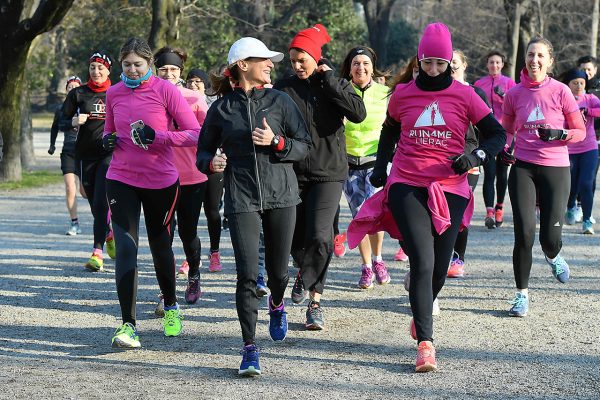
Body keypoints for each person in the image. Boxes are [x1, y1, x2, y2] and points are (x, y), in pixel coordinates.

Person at [348, 22, 506, 372]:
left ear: (449, 61)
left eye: (440, 62)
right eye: (427, 62)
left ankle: (421, 311)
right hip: (407, 182)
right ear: (418, 61)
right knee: (421, 258)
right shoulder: (403, 94)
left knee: (438, 265)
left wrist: (474, 156)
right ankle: (426, 343)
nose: (433, 69)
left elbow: (497, 135)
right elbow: (390, 130)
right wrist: (381, 165)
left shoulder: (466, 95)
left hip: (451, 186)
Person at [196, 37, 311, 376]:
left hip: (282, 195)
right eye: (264, 59)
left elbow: (304, 146)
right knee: (247, 275)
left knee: (278, 273)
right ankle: (249, 348)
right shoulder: (222, 108)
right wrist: (211, 162)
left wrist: (277, 142)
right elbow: (203, 151)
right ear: (243, 65)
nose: (271, 64)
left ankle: (277, 302)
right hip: (241, 197)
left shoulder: (280, 101)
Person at [104, 37, 201, 348]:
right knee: (127, 247)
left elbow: (194, 133)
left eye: (138, 65)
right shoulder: (113, 92)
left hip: (161, 180)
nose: (132, 70)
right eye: (127, 65)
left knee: (160, 245)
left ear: (148, 65)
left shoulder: (165, 90)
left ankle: (171, 308)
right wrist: (106, 140)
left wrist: (157, 136)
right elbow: (108, 130)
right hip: (121, 177)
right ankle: (128, 325)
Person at [274, 24, 366, 330]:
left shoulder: (334, 83)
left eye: (303, 60)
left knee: (321, 236)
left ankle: (315, 301)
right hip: (293, 172)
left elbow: (358, 113)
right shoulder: (284, 87)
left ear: (317, 58)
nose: (297, 66)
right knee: (295, 241)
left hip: (328, 172)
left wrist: (329, 80)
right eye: (293, 61)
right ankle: (305, 272)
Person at [502, 37, 585, 318]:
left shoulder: (561, 91)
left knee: (549, 238)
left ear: (550, 61)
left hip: (556, 169)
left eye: (540, 56)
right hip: (523, 167)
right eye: (529, 55)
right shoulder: (513, 94)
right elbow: (508, 130)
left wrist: (559, 134)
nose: (534, 60)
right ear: (524, 59)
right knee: (524, 233)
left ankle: (552, 255)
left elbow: (580, 132)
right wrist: (504, 148)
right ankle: (521, 295)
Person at [154, 46, 208, 305]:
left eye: (173, 69)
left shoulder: (194, 99)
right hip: (158, 176)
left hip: (191, 176)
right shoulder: (149, 97)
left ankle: (194, 274)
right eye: (163, 69)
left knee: (188, 232)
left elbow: (208, 136)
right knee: (163, 233)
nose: (168, 74)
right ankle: (167, 290)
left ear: (181, 72)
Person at [339, 46, 391, 289]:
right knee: (359, 216)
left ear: (372, 67)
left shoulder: (385, 93)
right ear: (349, 68)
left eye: (365, 63)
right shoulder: (341, 91)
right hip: (348, 161)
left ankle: (379, 259)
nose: (361, 67)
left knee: (375, 215)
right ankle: (366, 266)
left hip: (375, 160)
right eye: (356, 63)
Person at [60, 51, 115, 271]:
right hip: (85, 154)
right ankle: (108, 232)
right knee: (93, 202)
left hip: (108, 155)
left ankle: (97, 253)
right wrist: (73, 120)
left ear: (108, 70)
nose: (96, 71)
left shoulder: (116, 92)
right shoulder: (79, 94)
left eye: (101, 67)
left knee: (102, 202)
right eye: (92, 67)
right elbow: (61, 121)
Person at [447, 50, 491, 278]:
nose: (452, 66)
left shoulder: (476, 93)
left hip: (470, 161)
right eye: (449, 62)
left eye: (455, 62)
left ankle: (457, 257)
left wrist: (478, 155)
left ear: (464, 65)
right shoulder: (440, 92)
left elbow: (488, 130)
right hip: (442, 162)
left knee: (459, 210)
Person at [474, 51, 516, 228]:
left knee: (502, 173)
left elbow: (515, 106)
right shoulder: (479, 84)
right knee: (489, 173)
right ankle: (489, 211)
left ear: (502, 64)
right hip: (487, 133)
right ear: (487, 64)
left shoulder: (509, 83)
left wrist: (504, 97)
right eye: (491, 62)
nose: (494, 66)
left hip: (506, 133)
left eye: (498, 63)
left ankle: (499, 206)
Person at [561, 68, 599, 234]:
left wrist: (588, 111)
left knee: (586, 183)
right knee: (571, 186)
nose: (578, 86)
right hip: (569, 149)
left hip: (589, 147)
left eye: (581, 83)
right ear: (568, 84)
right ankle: (570, 207)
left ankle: (587, 221)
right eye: (575, 83)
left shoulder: (590, 98)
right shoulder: (564, 99)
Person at [50, 76, 82, 236]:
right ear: (66, 90)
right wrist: (72, 122)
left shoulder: (86, 105)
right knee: (70, 188)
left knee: (85, 191)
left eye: (75, 86)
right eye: (70, 87)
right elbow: (58, 126)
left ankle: (104, 220)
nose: (72, 89)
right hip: (68, 151)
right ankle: (74, 222)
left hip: (85, 152)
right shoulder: (63, 108)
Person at [578, 55, 600, 221]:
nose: (586, 72)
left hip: (596, 138)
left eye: (589, 69)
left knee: (590, 177)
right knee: (579, 176)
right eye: (583, 69)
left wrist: (589, 111)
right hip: (580, 140)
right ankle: (577, 206)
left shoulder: (597, 91)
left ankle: (587, 209)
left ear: (595, 70)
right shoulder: (576, 88)